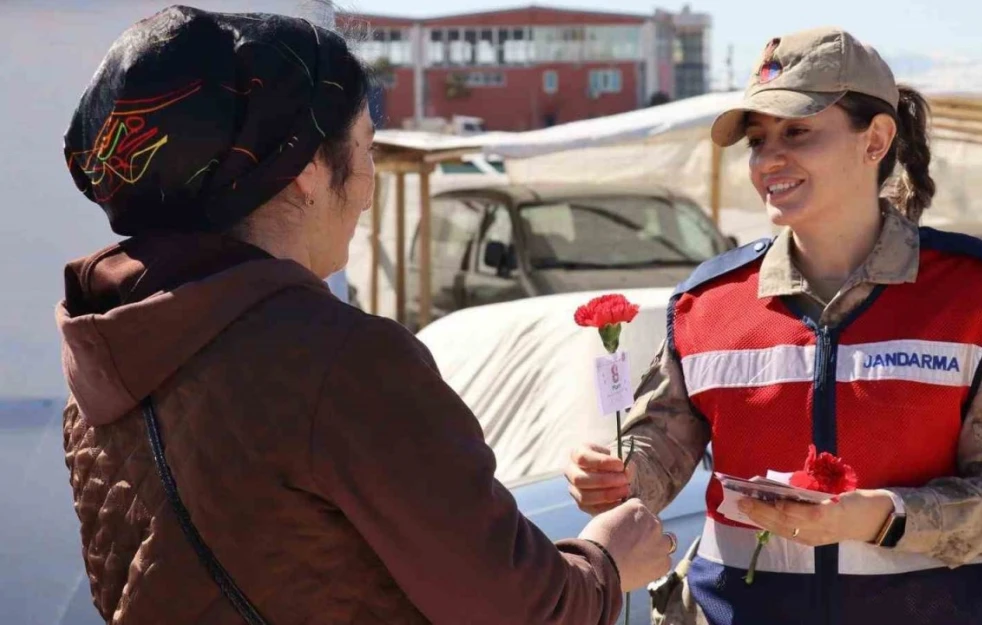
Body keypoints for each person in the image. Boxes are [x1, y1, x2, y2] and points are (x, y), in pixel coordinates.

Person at [57, 7, 674, 624]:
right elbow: (520, 609)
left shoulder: (105, 349)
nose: (370, 186)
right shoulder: (338, 360)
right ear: (305, 173)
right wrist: (607, 560)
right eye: (366, 148)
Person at [564, 26, 982, 625]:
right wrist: (613, 477)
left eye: (797, 132)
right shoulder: (706, 303)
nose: (769, 159)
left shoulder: (975, 293)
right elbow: (655, 458)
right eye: (757, 139)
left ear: (874, 140)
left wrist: (882, 517)